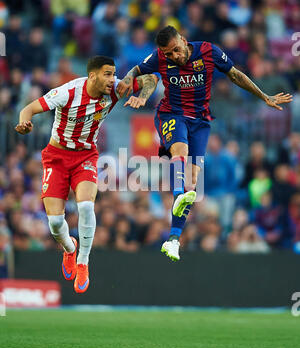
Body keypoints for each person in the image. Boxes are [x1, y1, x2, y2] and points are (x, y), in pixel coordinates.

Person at [117, 25, 293, 261]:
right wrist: (130, 81)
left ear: (183, 40)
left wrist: (264, 96)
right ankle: (178, 194)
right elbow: (138, 70)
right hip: (171, 114)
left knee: (191, 183)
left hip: (200, 121)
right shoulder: (159, 57)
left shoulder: (209, 51)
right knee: (181, 150)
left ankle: (173, 239)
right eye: (169, 54)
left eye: (176, 50)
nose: (174, 57)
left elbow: (235, 75)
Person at [15, 55, 158, 292]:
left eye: (114, 74)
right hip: (57, 157)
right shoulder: (68, 92)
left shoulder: (115, 89)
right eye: (107, 74)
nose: (113, 79)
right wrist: (23, 124)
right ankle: (70, 248)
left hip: (86, 156)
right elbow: (28, 109)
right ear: (92, 75)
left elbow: (151, 79)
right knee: (55, 223)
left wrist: (141, 96)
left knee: (85, 206)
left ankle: (83, 262)